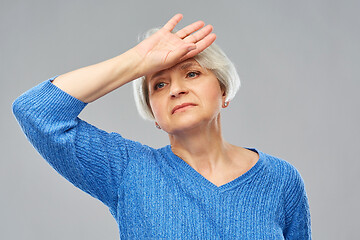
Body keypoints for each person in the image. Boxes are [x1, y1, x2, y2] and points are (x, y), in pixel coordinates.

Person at [13, 14, 311, 239]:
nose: (175, 90)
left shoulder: (281, 179)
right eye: (159, 84)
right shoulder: (129, 171)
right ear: (154, 114)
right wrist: (137, 61)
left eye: (192, 73)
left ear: (223, 91)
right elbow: (37, 112)